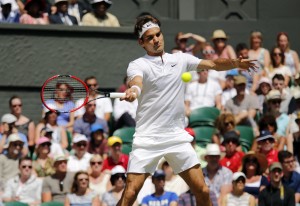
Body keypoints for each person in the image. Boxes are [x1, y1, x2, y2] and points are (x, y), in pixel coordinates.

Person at [116, 14, 256, 206]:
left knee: (203, 190)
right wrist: (134, 90)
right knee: (130, 194)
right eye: (150, 37)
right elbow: (136, 82)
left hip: (175, 136)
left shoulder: (180, 59)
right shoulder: (138, 65)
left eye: (158, 34)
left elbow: (213, 64)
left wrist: (235, 63)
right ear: (141, 42)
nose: (156, 39)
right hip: (147, 137)